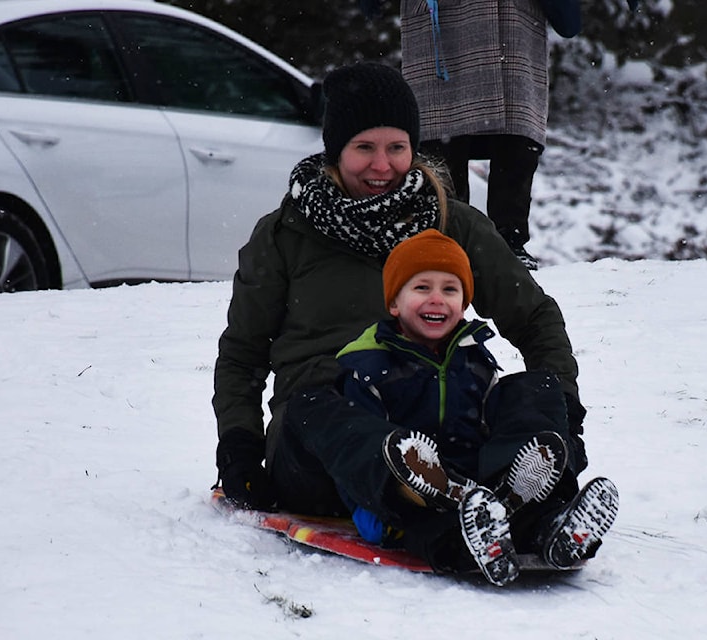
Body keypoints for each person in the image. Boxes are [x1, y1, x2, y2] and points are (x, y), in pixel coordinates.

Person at [211, 62, 612, 584]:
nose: (383, 165)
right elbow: (243, 351)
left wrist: (562, 404)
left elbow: (534, 317)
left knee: (532, 390)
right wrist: (239, 445)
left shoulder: (450, 223)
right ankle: (449, 527)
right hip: (324, 445)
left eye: (397, 147)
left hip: (440, 425)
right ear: (336, 150)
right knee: (318, 408)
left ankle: (538, 511)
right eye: (364, 148)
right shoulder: (286, 233)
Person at [323, 228, 618, 585]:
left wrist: (548, 437)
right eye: (421, 288)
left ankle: (550, 524)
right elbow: (356, 456)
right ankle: (472, 542)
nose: (437, 299)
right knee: (434, 524)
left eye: (450, 290)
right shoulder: (369, 367)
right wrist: (382, 506)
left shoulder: (475, 359)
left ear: (464, 305)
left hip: (477, 486)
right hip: (408, 499)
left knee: (536, 386)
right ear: (394, 303)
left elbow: (492, 421)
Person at [364, 0, 555, 269]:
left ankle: (509, 242)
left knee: (517, 139)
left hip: (513, 23)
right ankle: (445, 238)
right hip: (441, 23)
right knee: (440, 143)